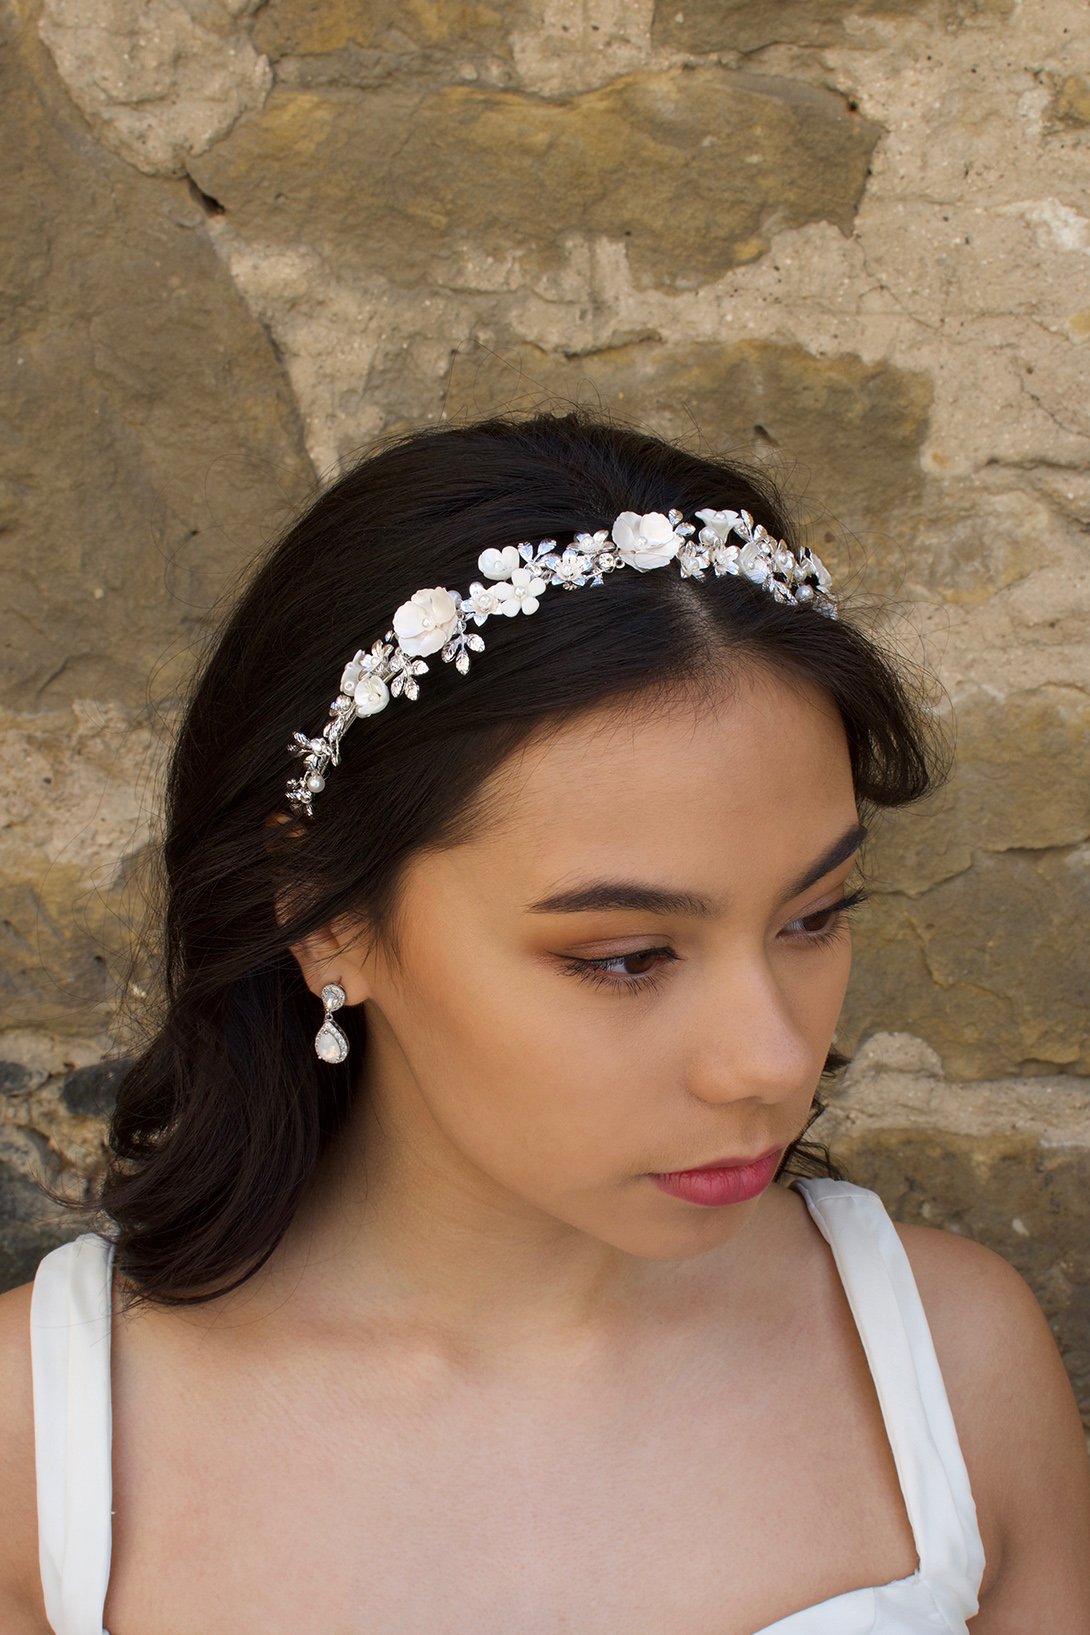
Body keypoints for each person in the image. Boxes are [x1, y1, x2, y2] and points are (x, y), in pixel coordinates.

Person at [1, 410, 1087, 1633]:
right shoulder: (42, 1451)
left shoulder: (955, 1370)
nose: (772, 1061)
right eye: (625, 958)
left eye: (814, 917)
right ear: (322, 914)